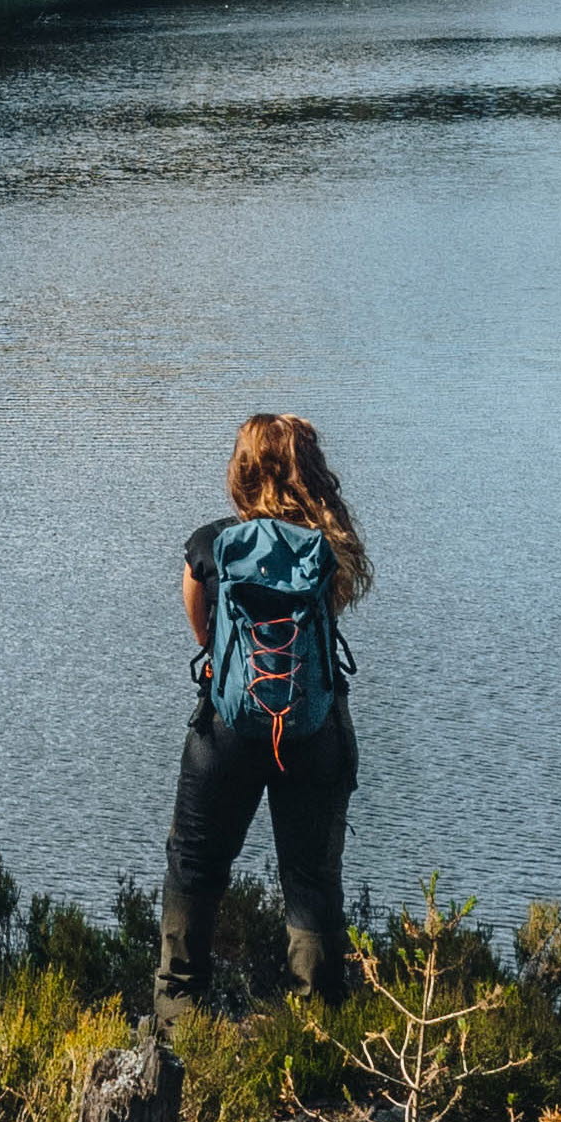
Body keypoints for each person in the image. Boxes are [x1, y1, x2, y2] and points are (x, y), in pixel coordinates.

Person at [157, 412, 371, 1021]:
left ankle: (176, 1033)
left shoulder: (210, 544)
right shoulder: (330, 548)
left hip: (225, 732)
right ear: (310, 469)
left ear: (243, 471)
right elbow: (331, 615)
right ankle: (319, 1041)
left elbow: (201, 629)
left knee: (194, 868)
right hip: (313, 729)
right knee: (311, 883)